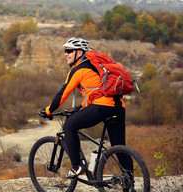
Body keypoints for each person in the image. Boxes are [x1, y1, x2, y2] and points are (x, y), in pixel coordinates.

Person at [40, 37, 131, 179]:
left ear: (79, 52)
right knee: (119, 147)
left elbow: (62, 93)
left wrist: (48, 110)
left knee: (69, 126)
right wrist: (79, 108)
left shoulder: (78, 70)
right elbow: (94, 92)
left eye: (69, 50)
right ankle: (129, 181)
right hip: (119, 107)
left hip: (103, 106)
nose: (66, 54)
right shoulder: (97, 66)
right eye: (65, 51)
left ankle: (77, 166)